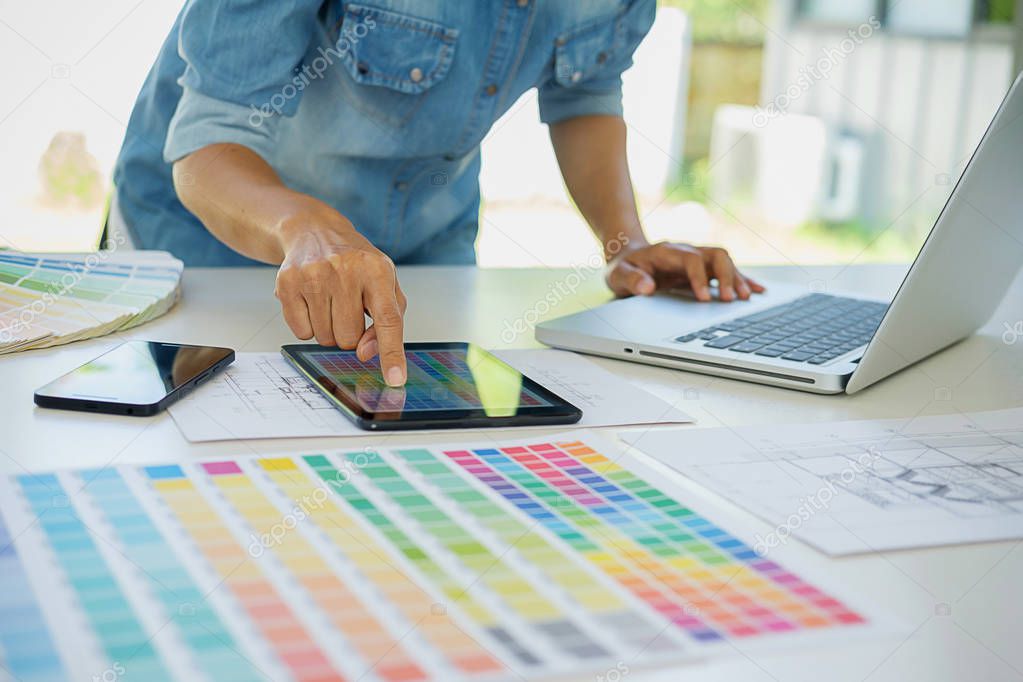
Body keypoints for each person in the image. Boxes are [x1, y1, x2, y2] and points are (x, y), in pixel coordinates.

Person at [113, 0, 764, 388]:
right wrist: (304, 227)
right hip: (210, 240)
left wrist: (627, 243)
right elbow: (208, 142)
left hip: (422, 244)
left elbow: (585, 92)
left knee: (417, 466)